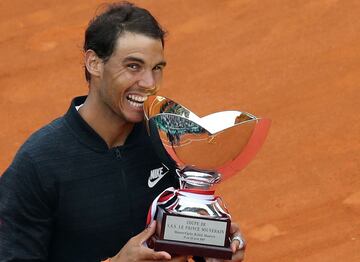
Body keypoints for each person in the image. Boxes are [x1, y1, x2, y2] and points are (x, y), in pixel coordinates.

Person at [0, 2, 245, 261]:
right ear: (94, 63)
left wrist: (216, 249)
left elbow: (186, 238)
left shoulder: (169, 143)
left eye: (157, 68)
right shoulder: (38, 164)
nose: (150, 84)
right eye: (133, 66)